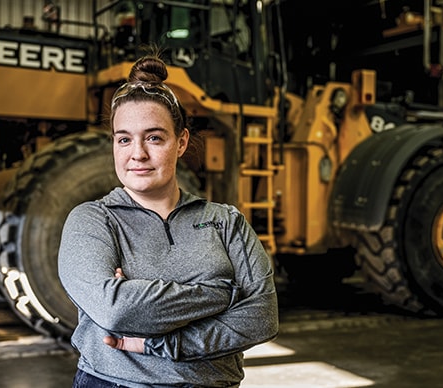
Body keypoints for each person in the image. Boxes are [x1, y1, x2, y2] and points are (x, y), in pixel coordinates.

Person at [57, 51, 279, 388]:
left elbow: (262, 317)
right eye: (124, 139)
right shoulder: (92, 221)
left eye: (154, 137)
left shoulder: (226, 221)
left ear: (181, 142)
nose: (138, 154)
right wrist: (221, 293)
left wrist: (160, 342)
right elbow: (115, 310)